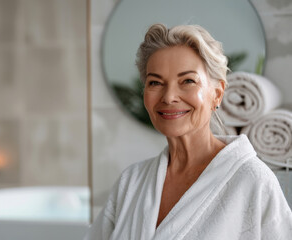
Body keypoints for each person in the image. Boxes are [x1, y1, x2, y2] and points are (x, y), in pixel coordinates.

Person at [84, 24, 292, 240]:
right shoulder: (132, 182)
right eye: (155, 82)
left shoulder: (253, 181)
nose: (169, 97)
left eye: (188, 81)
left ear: (217, 94)